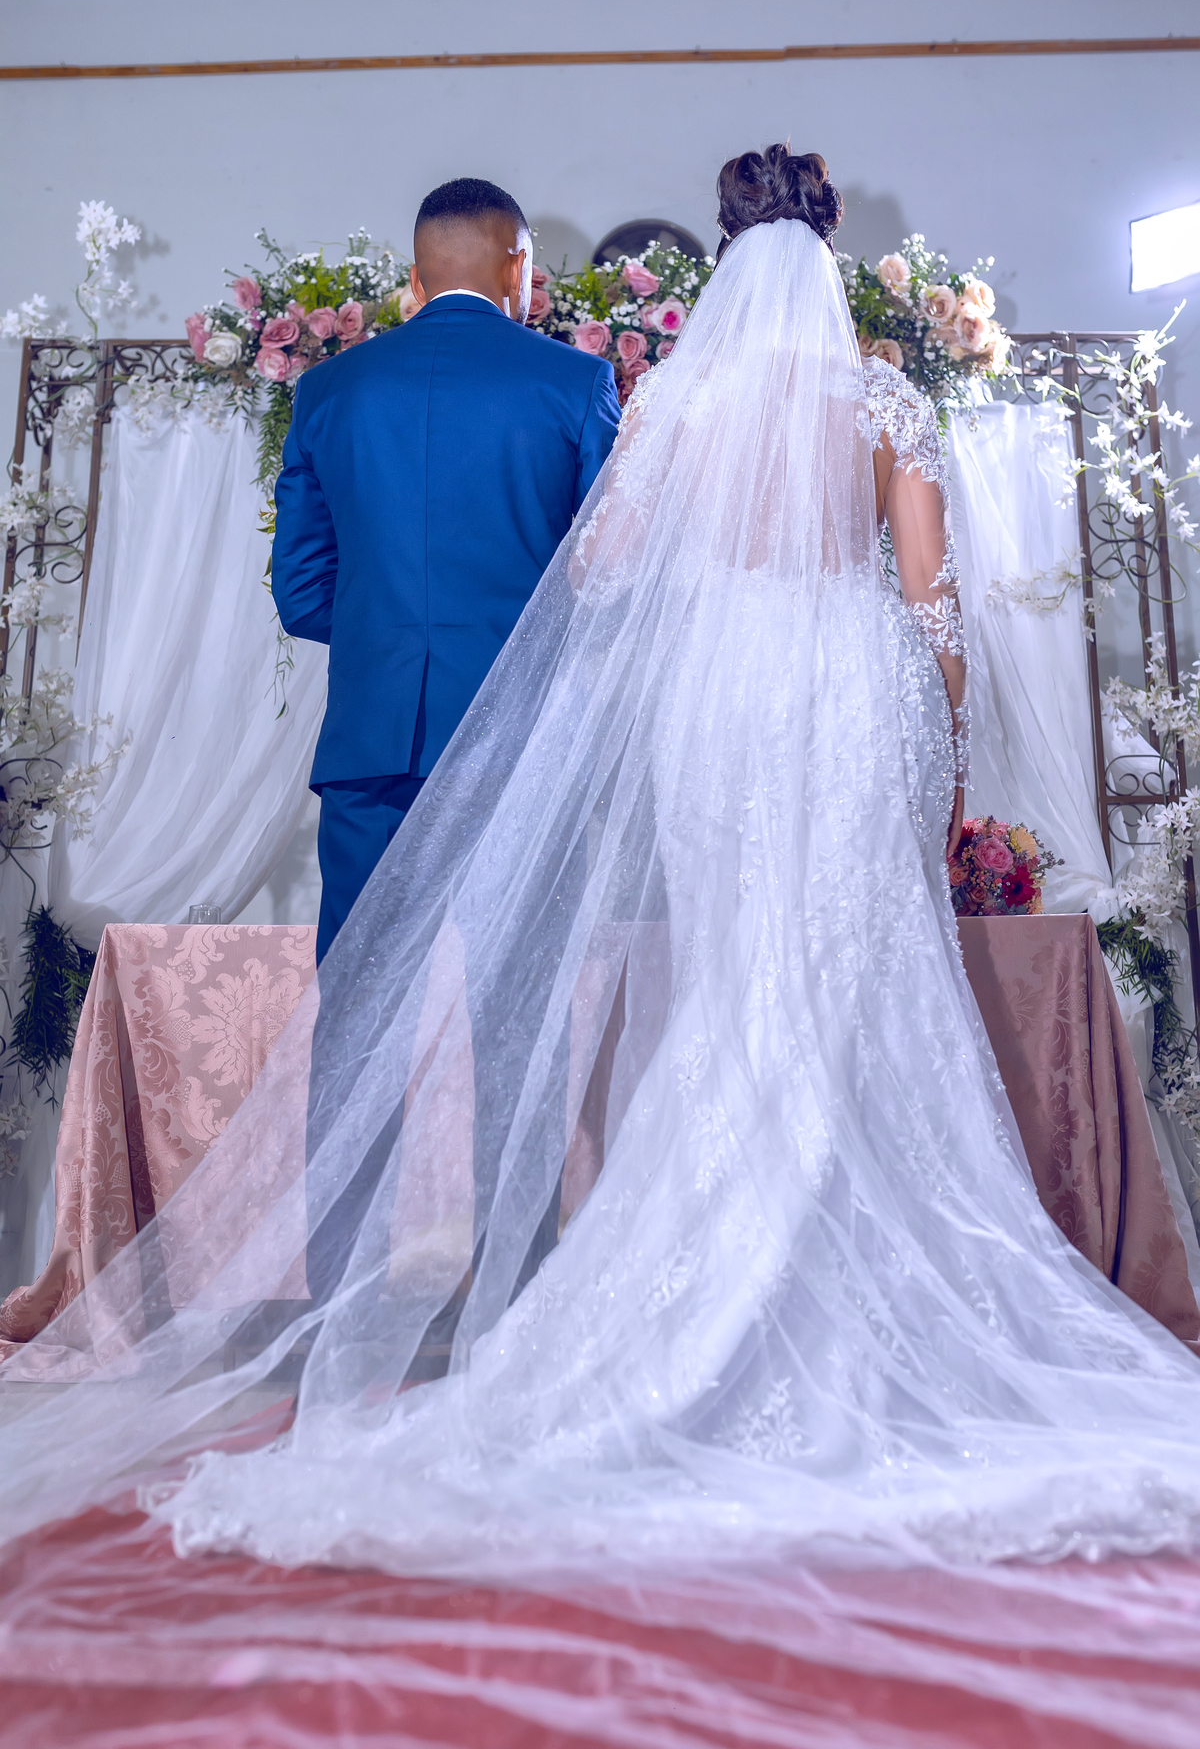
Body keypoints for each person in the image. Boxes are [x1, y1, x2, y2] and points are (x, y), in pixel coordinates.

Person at [6, 149, 1200, 1631]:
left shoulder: (641, 400)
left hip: (662, 712)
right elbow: (931, 609)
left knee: (561, 991)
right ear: (829, 266)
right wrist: (933, 745)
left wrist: (677, 629)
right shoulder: (872, 399)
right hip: (844, 697)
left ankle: (439, 1298)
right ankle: (768, 1274)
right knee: (823, 981)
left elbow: (597, 575)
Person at [271, 176, 621, 965]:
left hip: (373, 742)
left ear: (417, 275)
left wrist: (383, 631)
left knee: (358, 998)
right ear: (518, 264)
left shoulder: (327, 390)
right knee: (518, 1009)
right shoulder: (576, 382)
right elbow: (608, 575)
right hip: (522, 739)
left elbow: (299, 592)